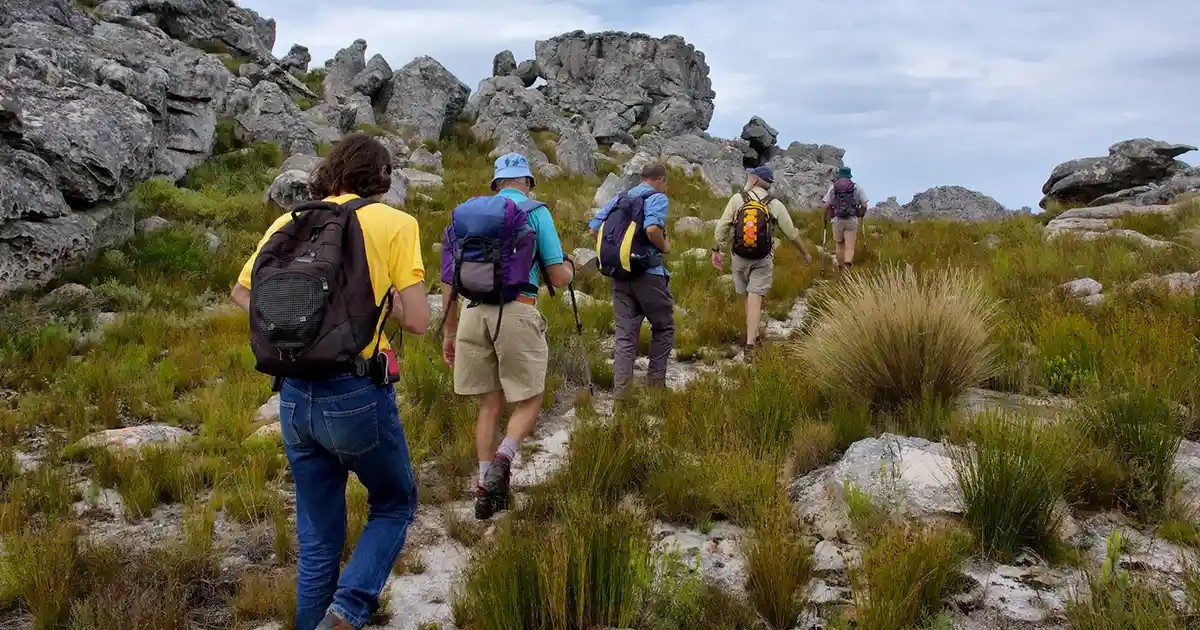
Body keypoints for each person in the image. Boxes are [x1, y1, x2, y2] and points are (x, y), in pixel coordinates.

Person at [230, 133, 430, 630]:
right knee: (394, 502)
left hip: (294, 396)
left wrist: (304, 332)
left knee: (318, 540)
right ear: (382, 177)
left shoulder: (290, 221)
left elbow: (241, 293)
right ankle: (347, 611)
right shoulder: (395, 223)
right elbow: (420, 321)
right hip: (357, 393)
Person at [440, 153, 574, 521]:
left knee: (489, 403)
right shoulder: (535, 211)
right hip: (517, 309)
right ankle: (505, 457)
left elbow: (449, 283)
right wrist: (571, 267)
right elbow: (558, 277)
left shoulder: (468, 216)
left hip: (471, 314)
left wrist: (449, 334)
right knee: (531, 396)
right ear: (528, 182)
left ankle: (486, 489)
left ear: (496, 183)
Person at [588, 163, 675, 398]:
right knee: (663, 326)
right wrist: (664, 246)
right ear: (659, 179)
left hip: (620, 275)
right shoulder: (656, 198)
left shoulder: (620, 197)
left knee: (625, 336)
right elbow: (652, 229)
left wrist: (619, 252)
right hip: (649, 276)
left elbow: (594, 228)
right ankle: (656, 386)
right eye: (665, 184)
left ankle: (621, 395)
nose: (665, 188)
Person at [712, 166, 812, 355]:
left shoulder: (738, 199)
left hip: (739, 256)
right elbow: (791, 233)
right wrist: (805, 252)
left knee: (747, 296)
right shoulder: (774, 204)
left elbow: (722, 227)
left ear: (755, 180)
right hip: (763, 257)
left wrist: (715, 250)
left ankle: (752, 333)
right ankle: (751, 342)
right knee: (755, 296)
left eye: (750, 175)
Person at [822, 166, 868, 270]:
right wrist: (861, 213)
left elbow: (826, 205)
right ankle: (847, 267)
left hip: (837, 220)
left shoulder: (833, 188)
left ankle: (840, 268)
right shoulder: (857, 188)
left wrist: (825, 217)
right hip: (851, 219)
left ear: (839, 175)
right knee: (850, 246)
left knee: (839, 245)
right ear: (849, 176)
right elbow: (864, 205)